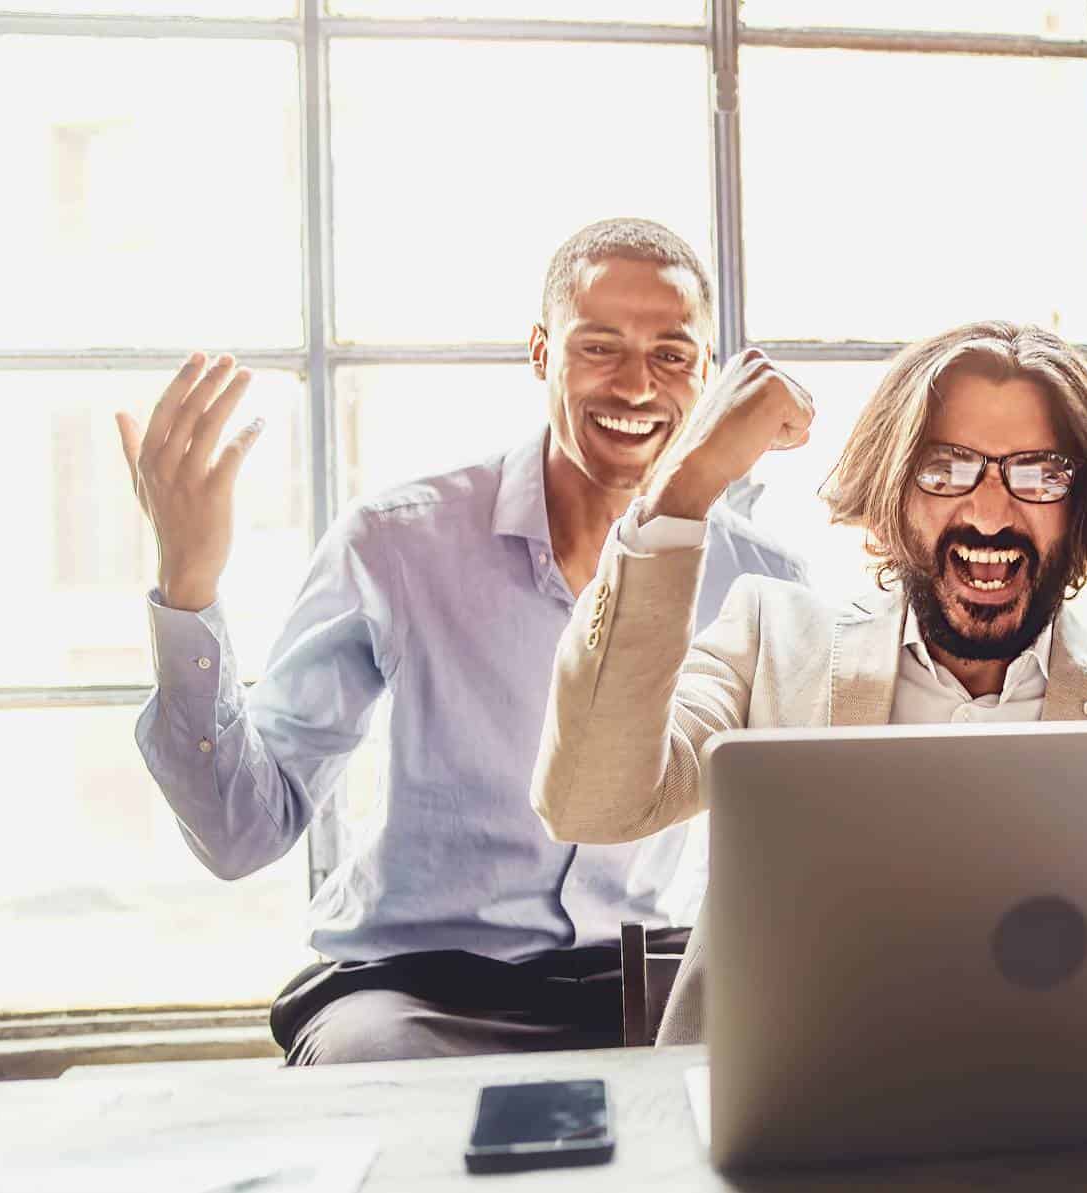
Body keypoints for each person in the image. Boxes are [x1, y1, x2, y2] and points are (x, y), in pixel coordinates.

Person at [530, 320, 1087, 1043]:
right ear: (894, 492)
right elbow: (590, 802)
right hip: (785, 1146)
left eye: (1039, 472)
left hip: (1051, 1137)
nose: (990, 511)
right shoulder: (770, 639)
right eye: (946, 468)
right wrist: (684, 488)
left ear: (1080, 506)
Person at [117, 218, 801, 1063]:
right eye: (599, 348)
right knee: (370, 1072)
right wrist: (189, 585)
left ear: (709, 377)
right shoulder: (399, 543)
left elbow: (805, 836)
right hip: (419, 991)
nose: (634, 387)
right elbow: (239, 832)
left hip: (650, 985)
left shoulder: (758, 578)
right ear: (541, 352)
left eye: (670, 354)